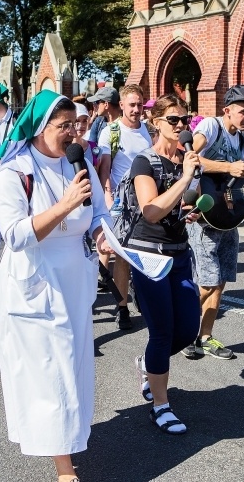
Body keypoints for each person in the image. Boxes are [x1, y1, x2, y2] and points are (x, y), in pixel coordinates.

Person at [0, 90, 112, 482]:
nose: (73, 133)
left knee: (73, 368)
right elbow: (17, 235)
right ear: (40, 128)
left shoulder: (81, 161)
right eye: (64, 126)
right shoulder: (13, 172)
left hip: (74, 279)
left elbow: (98, 213)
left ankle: (69, 439)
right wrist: (66, 205)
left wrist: (103, 235)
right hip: (35, 281)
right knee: (50, 372)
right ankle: (63, 467)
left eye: (76, 124)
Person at [183, 84, 244, 360]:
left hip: (228, 219)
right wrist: (226, 166)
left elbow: (243, 186)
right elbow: (188, 158)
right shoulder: (212, 128)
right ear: (227, 110)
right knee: (207, 281)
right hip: (203, 216)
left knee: (221, 280)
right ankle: (180, 329)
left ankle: (206, 336)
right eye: (243, 112)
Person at [127, 94, 201, 434]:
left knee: (187, 329)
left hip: (179, 252)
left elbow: (183, 205)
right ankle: (161, 405)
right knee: (162, 332)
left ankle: (147, 364)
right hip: (149, 255)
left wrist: (196, 210)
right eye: (173, 119)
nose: (181, 125)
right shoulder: (144, 161)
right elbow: (151, 211)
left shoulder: (188, 159)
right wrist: (184, 180)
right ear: (155, 122)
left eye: (184, 119)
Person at [98, 84, 152, 330]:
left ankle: (143, 296)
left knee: (146, 253)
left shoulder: (147, 131)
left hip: (145, 201)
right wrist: (108, 198)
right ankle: (122, 307)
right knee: (122, 257)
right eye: (132, 105)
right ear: (121, 105)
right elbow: (105, 169)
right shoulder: (111, 132)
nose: (137, 109)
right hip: (122, 204)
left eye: (140, 104)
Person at [73, 102, 101, 167]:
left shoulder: (93, 147)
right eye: (77, 121)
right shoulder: (62, 149)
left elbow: (96, 175)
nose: (81, 125)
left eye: (84, 121)